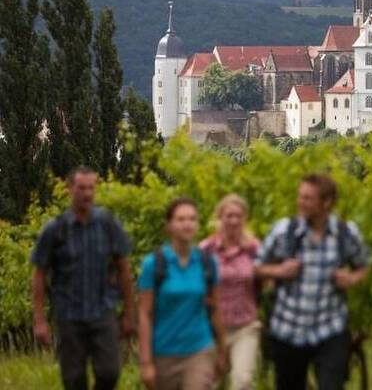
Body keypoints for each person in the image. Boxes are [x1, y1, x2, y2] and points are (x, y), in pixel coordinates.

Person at [256, 173, 371, 390]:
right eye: (300, 197)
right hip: (288, 329)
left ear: (327, 203)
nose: (301, 202)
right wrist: (279, 271)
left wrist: (351, 278)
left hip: (330, 329)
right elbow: (256, 267)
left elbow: (364, 266)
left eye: (308, 198)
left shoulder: (345, 234)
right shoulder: (284, 231)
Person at [31, 165, 135, 390]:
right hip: (69, 314)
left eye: (91, 188)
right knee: (74, 379)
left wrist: (129, 313)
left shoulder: (108, 225)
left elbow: (124, 269)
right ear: (70, 189)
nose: (87, 193)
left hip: (103, 311)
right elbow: (39, 274)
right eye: (81, 188)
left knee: (110, 372)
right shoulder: (55, 230)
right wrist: (39, 320)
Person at [137, 197, 227, 390]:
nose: (187, 224)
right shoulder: (154, 264)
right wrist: (145, 362)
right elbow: (144, 314)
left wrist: (222, 350)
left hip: (199, 349)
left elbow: (215, 308)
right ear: (169, 225)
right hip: (163, 352)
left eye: (192, 219)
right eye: (181, 219)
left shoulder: (207, 263)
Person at [199, 194, 261, 390]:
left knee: (242, 381)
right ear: (220, 217)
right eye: (229, 215)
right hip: (211, 329)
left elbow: (264, 282)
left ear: (245, 219)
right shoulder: (205, 249)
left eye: (238, 216)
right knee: (208, 383)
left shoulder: (254, 249)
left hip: (245, 326)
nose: (233, 220)